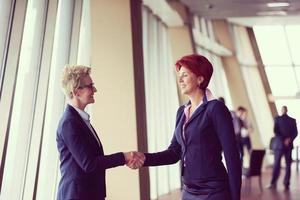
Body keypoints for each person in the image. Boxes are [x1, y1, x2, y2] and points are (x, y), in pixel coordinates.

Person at [130, 55, 241, 200]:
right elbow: (174, 152)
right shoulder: (181, 112)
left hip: (213, 191)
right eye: (179, 75)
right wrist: (145, 158)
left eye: (185, 75)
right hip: (188, 190)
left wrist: (235, 197)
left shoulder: (216, 109)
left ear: (200, 79)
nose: (180, 80)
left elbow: (232, 156)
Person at [56, 65, 145, 200]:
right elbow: (89, 164)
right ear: (76, 91)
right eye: (90, 86)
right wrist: (124, 157)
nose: (95, 89)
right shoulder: (69, 123)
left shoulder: (79, 120)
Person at [267, 105, 298, 190]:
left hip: (279, 145)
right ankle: (286, 183)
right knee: (287, 165)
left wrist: (283, 139)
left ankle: (273, 182)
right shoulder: (292, 120)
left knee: (277, 164)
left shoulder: (277, 119)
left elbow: (275, 131)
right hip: (288, 145)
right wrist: (289, 140)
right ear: (287, 110)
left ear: (282, 110)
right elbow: (295, 133)